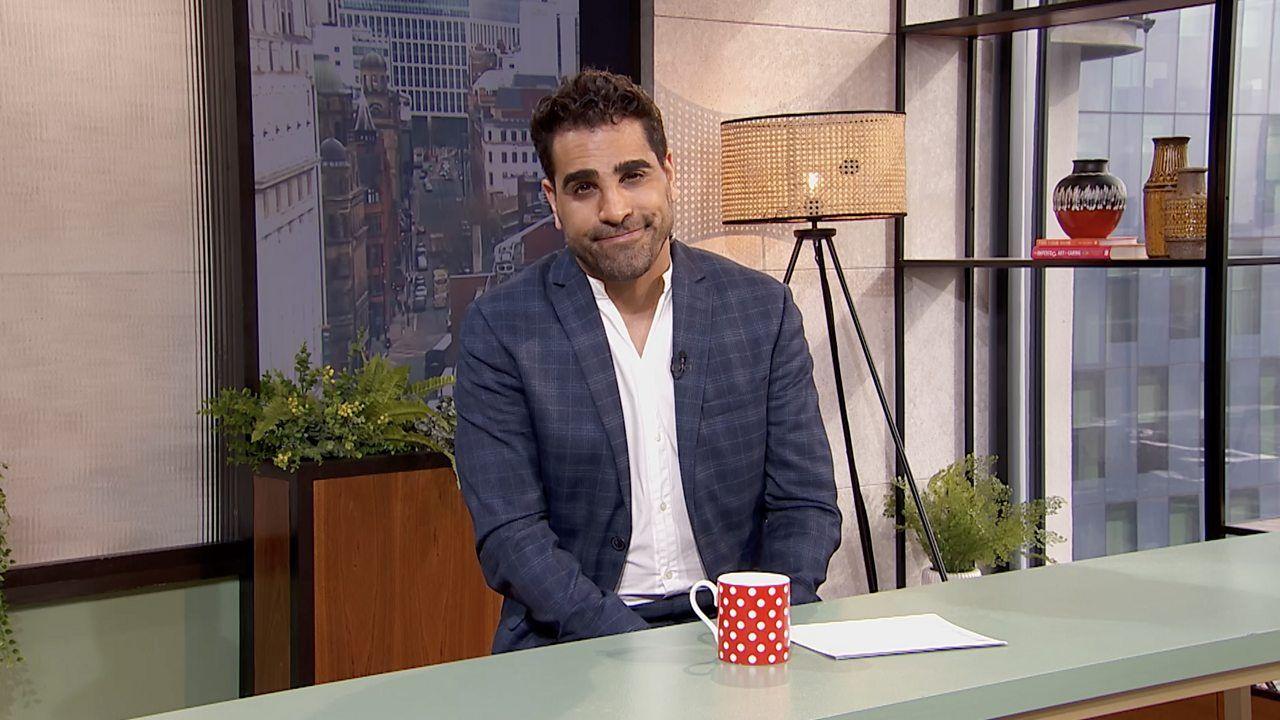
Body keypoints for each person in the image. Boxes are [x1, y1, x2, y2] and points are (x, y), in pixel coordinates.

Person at [455, 69, 841, 653]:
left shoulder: (763, 311)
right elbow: (512, 535)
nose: (615, 209)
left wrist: (760, 622)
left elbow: (804, 503)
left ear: (669, 174)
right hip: (572, 642)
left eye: (632, 176)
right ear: (552, 202)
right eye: (584, 188)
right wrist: (633, 648)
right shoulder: (501, 328)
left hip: (738, 629)